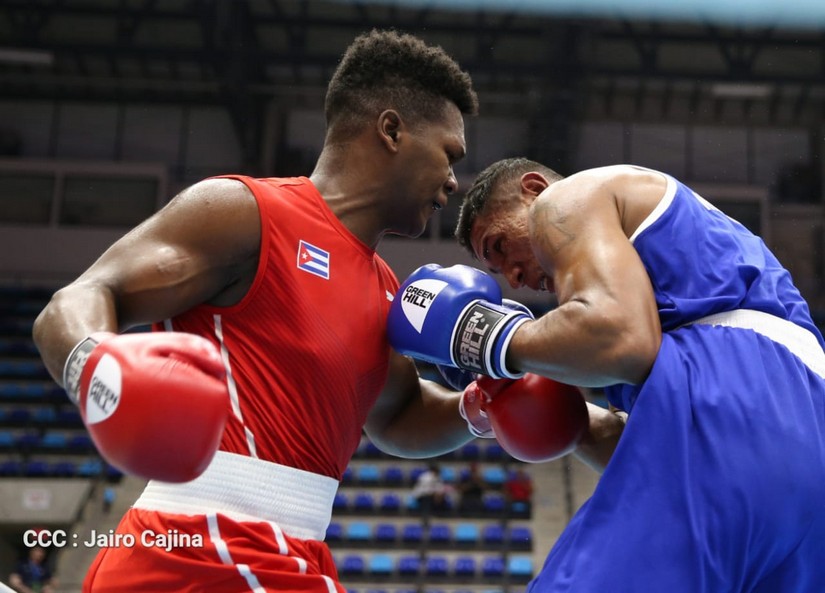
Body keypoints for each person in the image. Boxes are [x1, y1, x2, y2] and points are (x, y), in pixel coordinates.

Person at [31, 30, 482, 593]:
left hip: (290, 552)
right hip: (202, 546)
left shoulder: (385, 289)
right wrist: (100, 374)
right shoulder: (247, 212)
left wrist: (477, 408)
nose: (452, 181)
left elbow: (395, 417)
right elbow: (75, 302)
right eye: (449, 154)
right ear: (391, 130)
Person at [390, 158, 825, 592]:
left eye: (500, 246)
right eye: (499, 272)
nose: (514, 278)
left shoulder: (568, 198)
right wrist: (563, 419)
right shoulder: (680, 277)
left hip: (740, 393)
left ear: (533, 188)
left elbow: (623, 342)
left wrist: (484, 338)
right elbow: (653, 449)